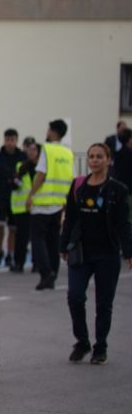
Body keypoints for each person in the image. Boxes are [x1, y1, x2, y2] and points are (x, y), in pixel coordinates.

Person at [61, 143, 132, 365]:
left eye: (99, 156)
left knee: (104, 303)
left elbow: (123, 224)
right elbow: (70, 219)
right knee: (74, 297)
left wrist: (128, 250)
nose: (94, 160)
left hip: (107, 255)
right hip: (82, 254)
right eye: (91, 156)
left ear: (108, 160)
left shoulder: (117, 190)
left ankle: (100, 347)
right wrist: (63, 246)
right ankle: (82, 342)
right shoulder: (79, 185)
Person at [27, 119, 73, 290]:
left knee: (38, 240)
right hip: (58, 203)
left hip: (42, 203)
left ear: (52, 131)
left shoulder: (47, 149)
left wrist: (31, 195)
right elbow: (71, 178)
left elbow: (41, 174)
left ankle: (46, 273)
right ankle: (53, 272)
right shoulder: (67, 152)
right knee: (53, 241)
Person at [0, 129, 26, 268]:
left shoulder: (22, 158)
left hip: (17, 197)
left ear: (16, 140)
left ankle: (10, 253)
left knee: (13, 228)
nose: (10, 143)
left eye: (12, 140)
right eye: (7, 140)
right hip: (1, 196)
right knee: (0, 225)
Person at [9, 138, 40, 274]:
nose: (31, 152)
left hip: (38, 206)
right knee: (21, 237)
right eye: (29, 149)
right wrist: (16, 180)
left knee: (37, 237)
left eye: (34, 150)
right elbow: (13, 183)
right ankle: (19, 263)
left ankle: (37, 263)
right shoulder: (21, 166)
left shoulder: (43, 168)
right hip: (22, 207)